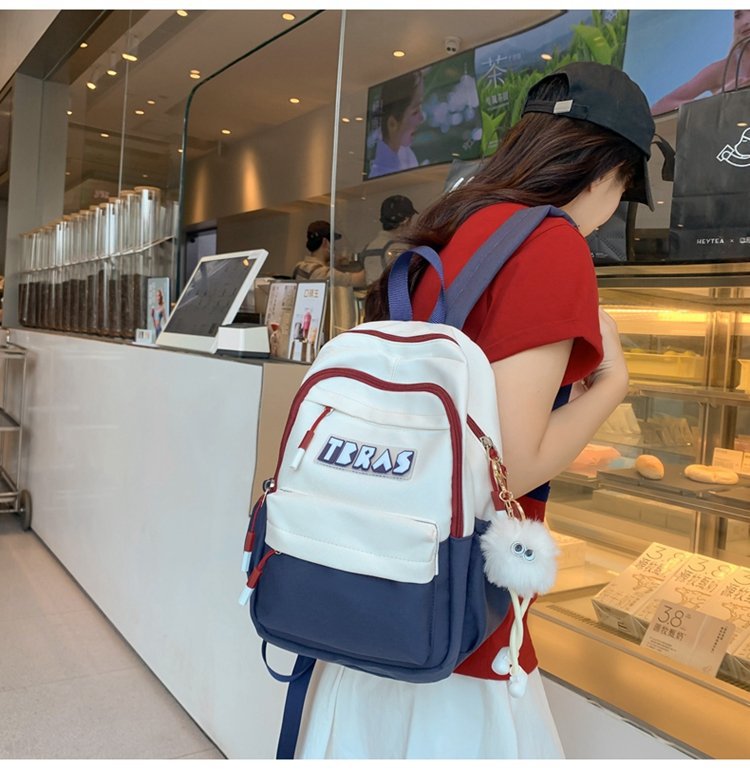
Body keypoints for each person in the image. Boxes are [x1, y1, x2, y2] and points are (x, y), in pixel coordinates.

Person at [296, 61, 655, 759]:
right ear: (607, 171)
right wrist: (611, 386)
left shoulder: (457, 226)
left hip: (379, 577)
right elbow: (510, 464)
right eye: (625, 189)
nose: (614, 209)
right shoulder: (550, 243)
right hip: (459, 615)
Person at [650, 9, 750, 114]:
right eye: (738, 15)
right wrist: (716, 99)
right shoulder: (722, 69)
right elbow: (657, 109)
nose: (745, 21)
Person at [368, 70, 425, 178]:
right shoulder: (382, 173)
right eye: (415, 112)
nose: (422, 118)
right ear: (392, 124)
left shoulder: (406, 154)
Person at [359, 194, 418, 284]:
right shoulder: (399, 247)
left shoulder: (369, 247)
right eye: (411, 219)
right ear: (405, 220)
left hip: (373, 292)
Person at [292, 220, 367, 289]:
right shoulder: (323, 273)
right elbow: (361, 280)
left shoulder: (299, 266)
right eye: (333, 243)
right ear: (326, 242)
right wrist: (368, 258)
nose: (334, 248)